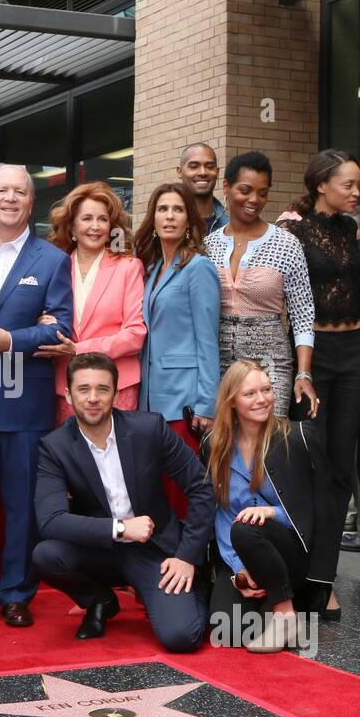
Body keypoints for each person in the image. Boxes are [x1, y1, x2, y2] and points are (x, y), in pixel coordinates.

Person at [33, 353, 215, 650]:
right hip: (100, 549)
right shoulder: (55, 447)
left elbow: (202, 487)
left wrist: (186, 557)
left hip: (154, 550)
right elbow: (50, 520)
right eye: (83, 389)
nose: (93, 398)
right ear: (67, 394)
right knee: (46, 555)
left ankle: (199, 587)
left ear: (116, 394)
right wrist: (120, 528)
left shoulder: (149, 429)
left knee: (181, 637)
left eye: (102, 389)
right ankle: (101, 600)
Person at [0, 164, 74, 629]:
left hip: (25, 399)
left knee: (23, 501)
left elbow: (61, 327)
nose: (10, 198)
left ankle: (16, 592)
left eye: (20, 192)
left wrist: (12, 340)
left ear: (32, 203)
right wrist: (32, 332)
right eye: (1, 190)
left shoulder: (51, 259)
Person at [277, 149, 360, 619]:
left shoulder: (350, 229)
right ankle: (299, 573)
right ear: (321, 185)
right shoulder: (291, 230)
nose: (357, 193)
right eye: (348, 185)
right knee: (306, 465)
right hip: (311, 356)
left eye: (358, 185)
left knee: (339, 468)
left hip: (355, 353)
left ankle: (325, 581)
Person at [202, 360, 340, 652]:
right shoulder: (214, 444)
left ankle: (285, 613)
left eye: (266, 389)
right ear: (231, 401)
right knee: (229, 631)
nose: (262, 399)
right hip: (244, 557)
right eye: (250, 393)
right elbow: (222, 515)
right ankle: (281, 614)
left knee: (246, 527)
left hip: (291, 553)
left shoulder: (298, 436)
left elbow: (321, 508)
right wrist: (240, 571)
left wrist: (272, 512)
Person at [206, 151, 317, 416]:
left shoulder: (286, 244)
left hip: (271, 361)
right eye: (245, 190)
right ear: (226, 187)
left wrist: (304, 374)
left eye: (263, 192)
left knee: (269, 444)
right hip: (218, 361)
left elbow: (303, 316)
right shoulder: (208, 245)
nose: (254, 200)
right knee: (223, 443)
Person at [136, 181, 218, 519]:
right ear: (153, 218)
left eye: (178, 209)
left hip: (184, 402)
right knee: (156, 490)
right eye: (163, 209)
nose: (169, 216)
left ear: (189, 220)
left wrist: (206, 404)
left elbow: (207, 340)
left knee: (181, 490)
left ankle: (190, 566)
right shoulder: (152, 269)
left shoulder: (199, 267)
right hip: (150, 399)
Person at [38, 181, 146, 423]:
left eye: (103, 219)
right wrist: (40, 321)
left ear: (111, 226)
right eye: (86, 218)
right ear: (72, 226)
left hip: (115, 386)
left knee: (114, 458)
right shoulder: (54, 268)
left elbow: (135, 334)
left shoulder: (129, 267)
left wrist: (79, 349)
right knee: (72, 458)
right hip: (66, 387)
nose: (95, 226)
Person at [176, 142, 228, 235]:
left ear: (217, 172)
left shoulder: (230, 226)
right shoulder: (168, 224)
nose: (203, 172)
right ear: (180, 172)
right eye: (194, 166)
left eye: (209, 167)